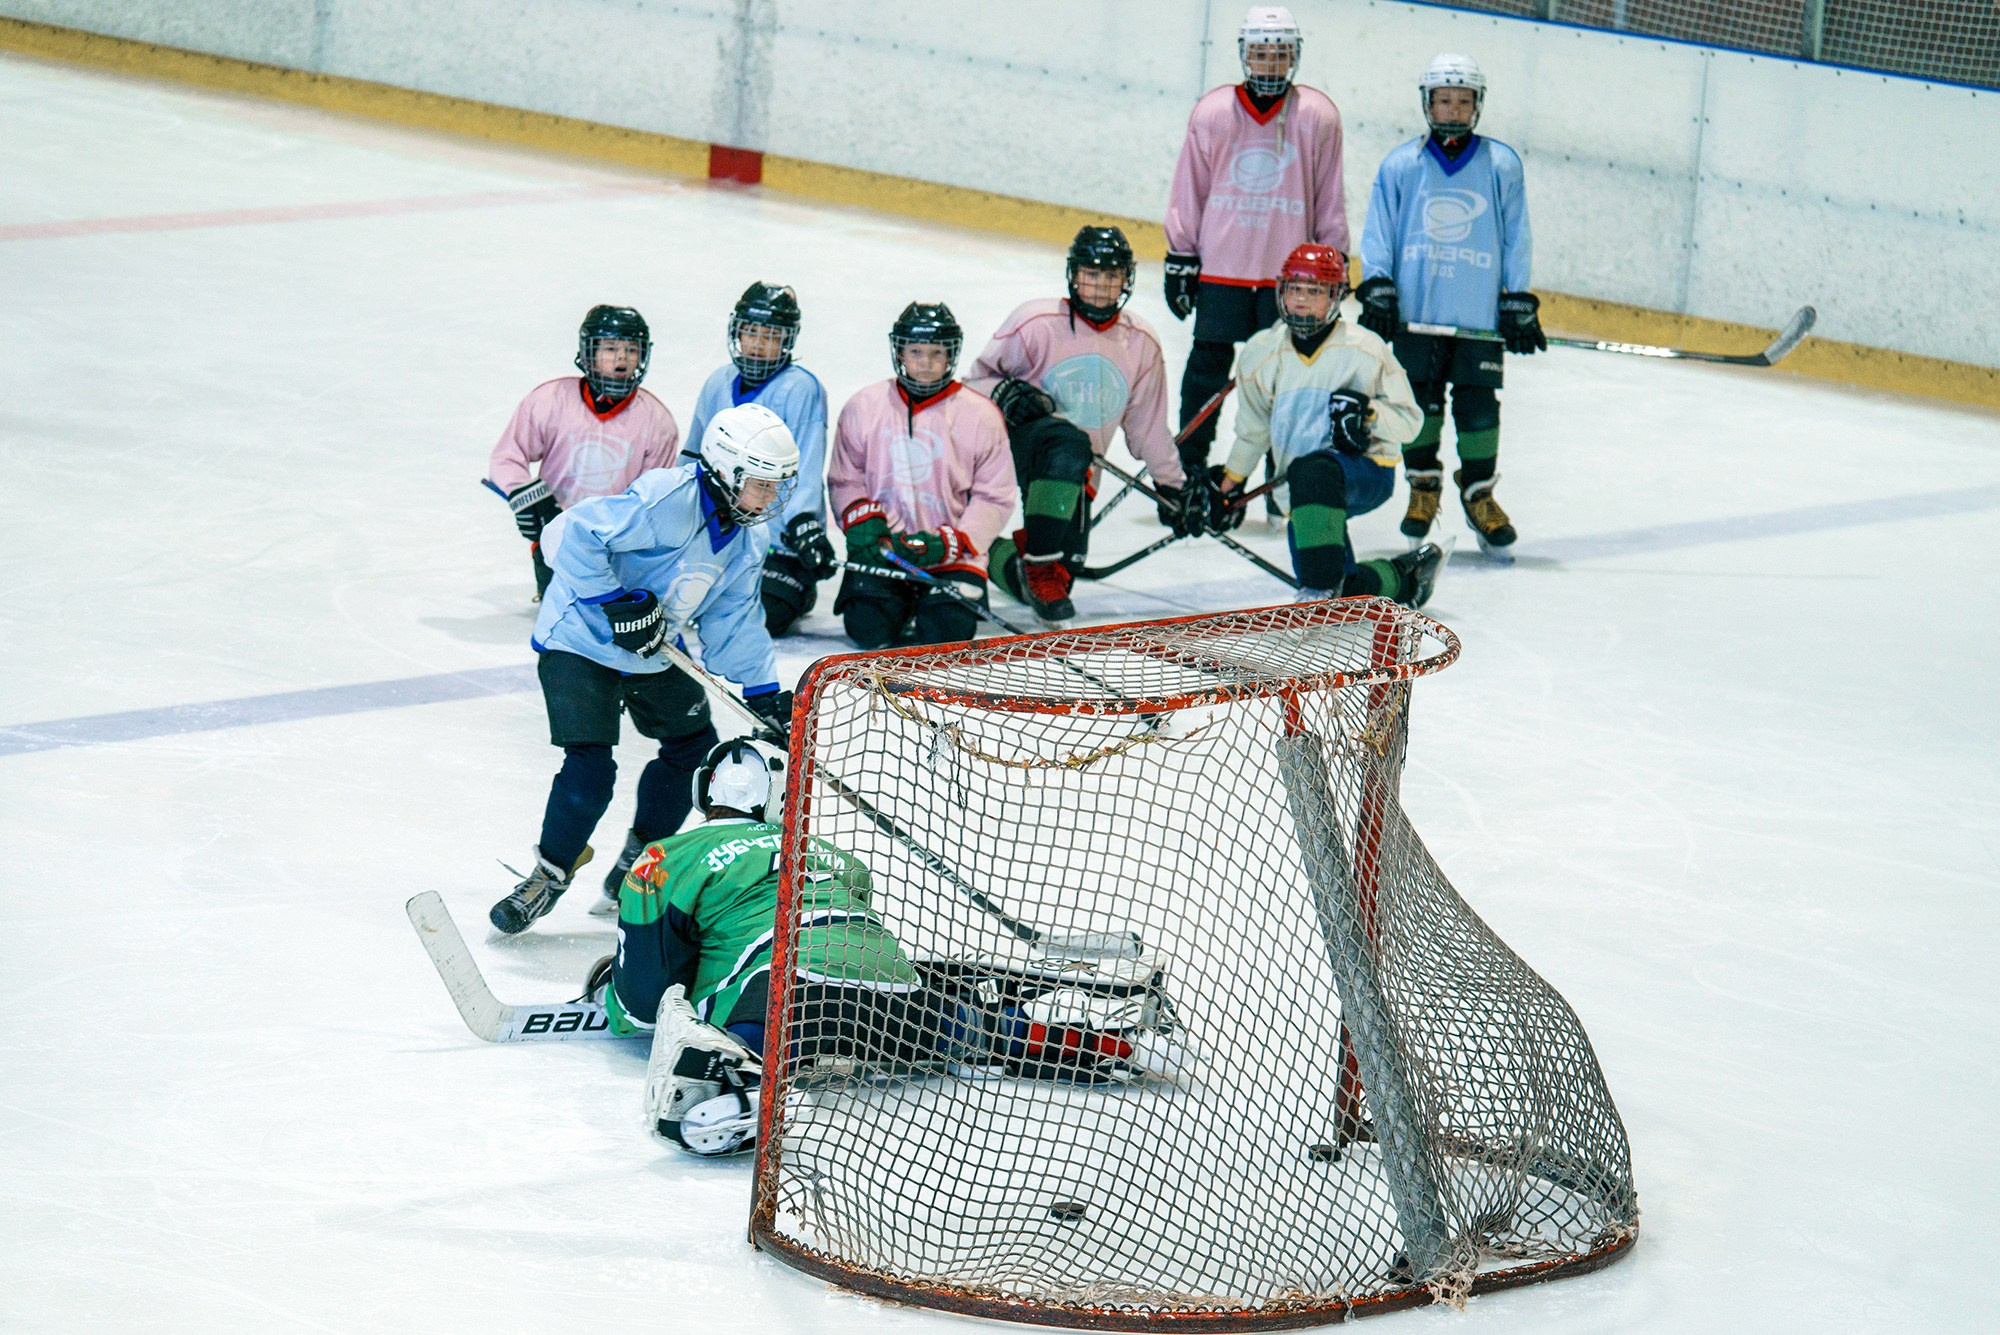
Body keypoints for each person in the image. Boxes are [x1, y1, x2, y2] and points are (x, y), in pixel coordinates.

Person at [590, 740, 1166, 1156]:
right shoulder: (833, 853)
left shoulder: (669, 854)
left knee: (756, 1028)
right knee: (978, 1032)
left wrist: (612, 1002)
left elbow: (643, 997)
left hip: (785, 994)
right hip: (891, 991)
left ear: (704, 791)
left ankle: (746, 1086)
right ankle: (1091, 1041)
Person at [487, 403, 801, 936]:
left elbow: (735, 619)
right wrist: (615, 601)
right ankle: (548, 875)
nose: (771, 498)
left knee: (691, 750)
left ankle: (637, 860)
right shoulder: (664, 498)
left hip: (652, 648)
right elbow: (573, 535)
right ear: (727, 471)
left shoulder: (748, 539)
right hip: (581, 638)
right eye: (762, 484)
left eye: (778, 486)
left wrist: (764, 691)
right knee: (591, 768)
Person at [1357, 52, 1542, 560]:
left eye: (1463, 101)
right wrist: (1378, 283)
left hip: (1478, 315)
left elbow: (1516, 235)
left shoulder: (1501, 163)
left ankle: (1479, 492)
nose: (1453, 110)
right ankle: (1424, 486)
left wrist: (1517, 297)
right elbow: (1381, 229)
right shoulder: (1401, 164)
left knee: (1480, 407)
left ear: (1476, 105)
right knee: (1420, 404)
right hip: (1417, 310)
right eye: (1444, 100)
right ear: (1428, 103)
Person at [967, 227, 1201, 627]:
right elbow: (972, 387)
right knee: (1067, 441)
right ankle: (1037, 564)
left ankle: (986, 553)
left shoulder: (1141, 341)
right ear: (1073, 275)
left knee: (1060, 578)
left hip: (1074, 474)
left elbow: (1148, 428)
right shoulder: (1035, 322)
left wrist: (1173, 488)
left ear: (1126, 279)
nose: (1100, 286)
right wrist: (1002, 392)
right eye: (1091, 274)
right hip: (1013, 456)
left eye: (1111, 275)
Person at [1163, 5, 1350, 478]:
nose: (1271, 64)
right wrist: (1181, 256)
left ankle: (1279, 475)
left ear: (1295, 57)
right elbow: (1191, 187)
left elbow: (1330, 194)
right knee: (1207, 368)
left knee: (1285, 377)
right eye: (1262, 53)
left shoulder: (1318, 115)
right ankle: (1189, 465)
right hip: (1222, 268)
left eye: (1280, 54)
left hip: (1291, 279)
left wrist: (1335, 261)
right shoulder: (1213, 111)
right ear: (1245, 55)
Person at [1214, 244, 1445, 607]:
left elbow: (1410, 424)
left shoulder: (1367, 349)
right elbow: (1254, 429)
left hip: (1365, 475)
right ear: (1281, 292)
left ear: (1336, 296)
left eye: (1315, 291)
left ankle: (1317, 595)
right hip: (1300, 490)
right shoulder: (1261, 352)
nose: (1302, 300)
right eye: (1295, 289)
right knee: (1340, 585)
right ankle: (1405, 577)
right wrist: (1228, 485)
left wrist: (1368, 414)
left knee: (1314, 477)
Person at [828, 302, 1016, 649]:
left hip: (952, 555)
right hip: (885, 549)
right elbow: (845, 478)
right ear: (899, 351)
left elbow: (996, 494)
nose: (926, 363)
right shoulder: (864, 405)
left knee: (947, 635)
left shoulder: (981, 414)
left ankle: (932, 602)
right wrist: (860, 519)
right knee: (867, 630)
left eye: (936, 352)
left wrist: (956, 541)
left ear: (951, 355)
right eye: (916, 351)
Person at [487, 305, 681, 599]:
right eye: (610, 348)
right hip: (557, 535)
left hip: (617, 544)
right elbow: (506, 458)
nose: (621, 358)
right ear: (588, 353)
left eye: (631, 350)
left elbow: (655, 497)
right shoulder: (550, 400)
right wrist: (524, 496)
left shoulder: (658, 421)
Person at [686, 283, 837, 636]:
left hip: (775, 542)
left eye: (771, 335)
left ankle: (797, 587)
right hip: (717, 531)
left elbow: (807, 467)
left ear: (788, 339)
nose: (757, 343)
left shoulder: (802, 388)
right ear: (736, 331)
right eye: (751, 332)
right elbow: (693, 452)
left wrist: (803, 524)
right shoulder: (718, 381)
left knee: (768, 615)